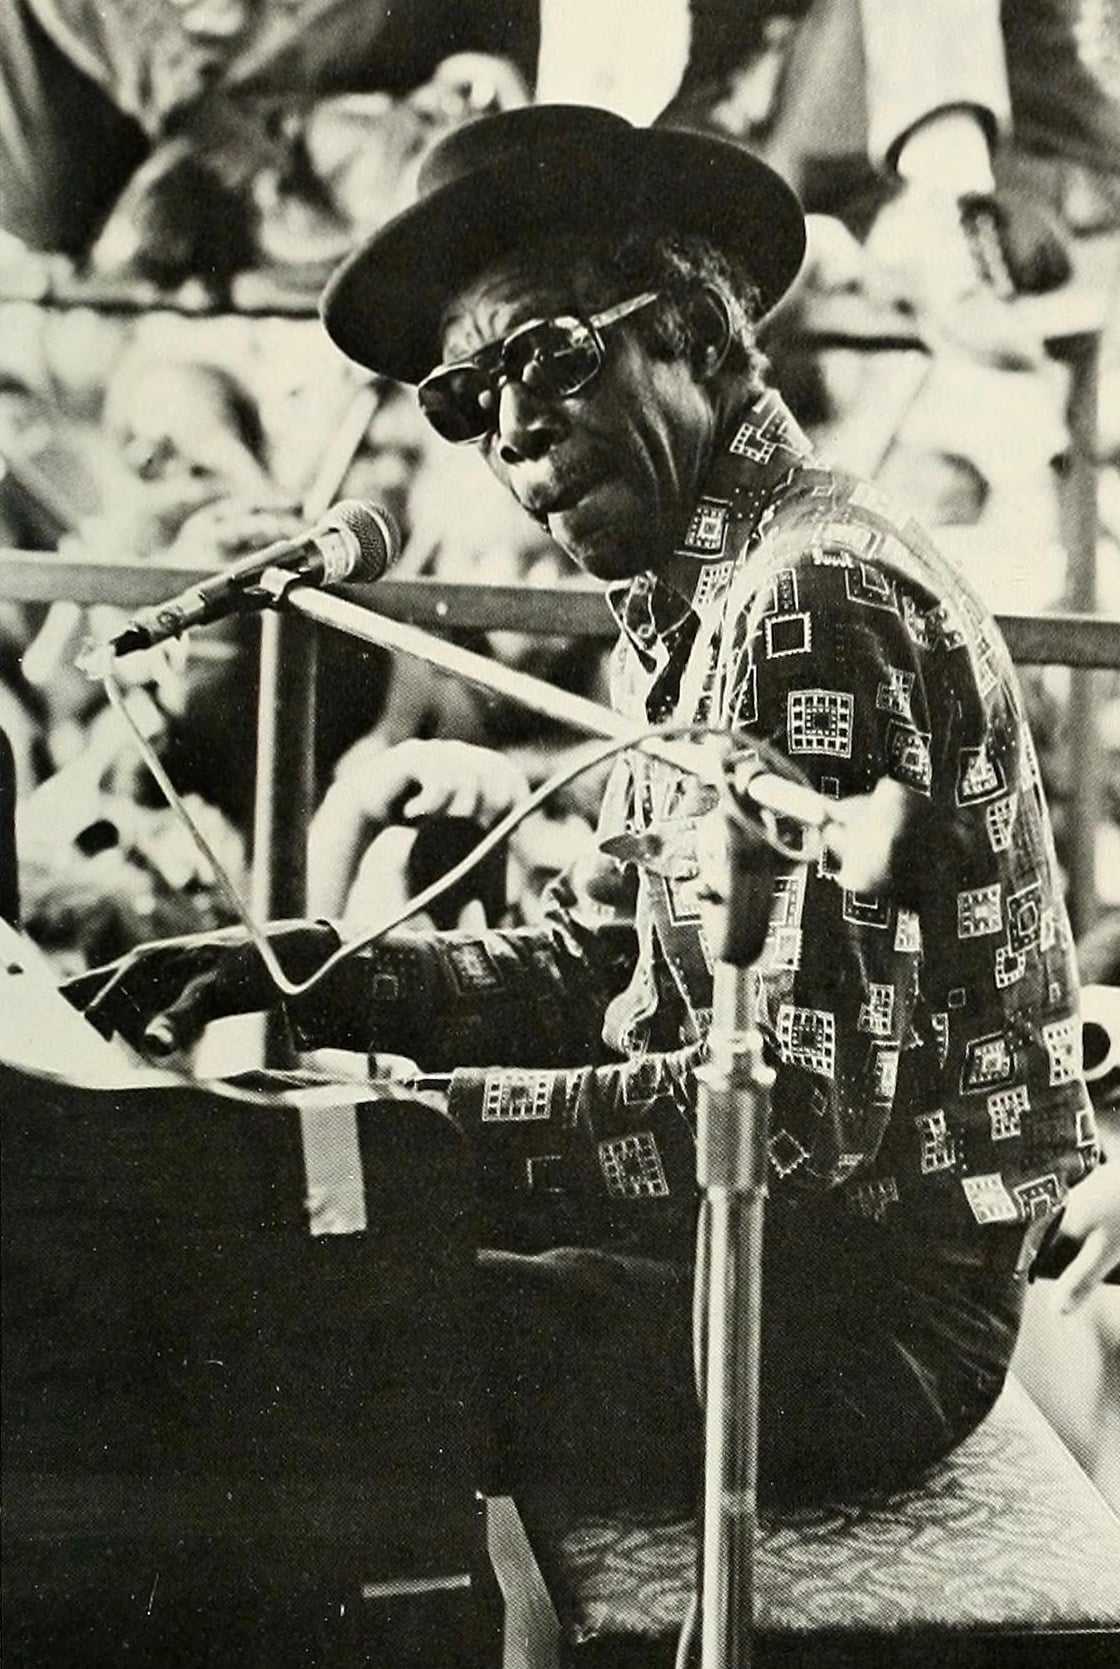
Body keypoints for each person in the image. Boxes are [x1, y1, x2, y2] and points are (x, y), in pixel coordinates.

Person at [65, 106, 1099, 1516]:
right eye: (462, 397)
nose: (508, 430)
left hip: (864, 1321)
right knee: (270, 1272)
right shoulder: (707, 589)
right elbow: (596, 965)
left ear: (692, 326)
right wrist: (303, 974)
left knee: (273, 1329)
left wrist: (398, 1122)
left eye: (545, 354)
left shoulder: (809, 599)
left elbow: (787, 1132)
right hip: (778, 1257)